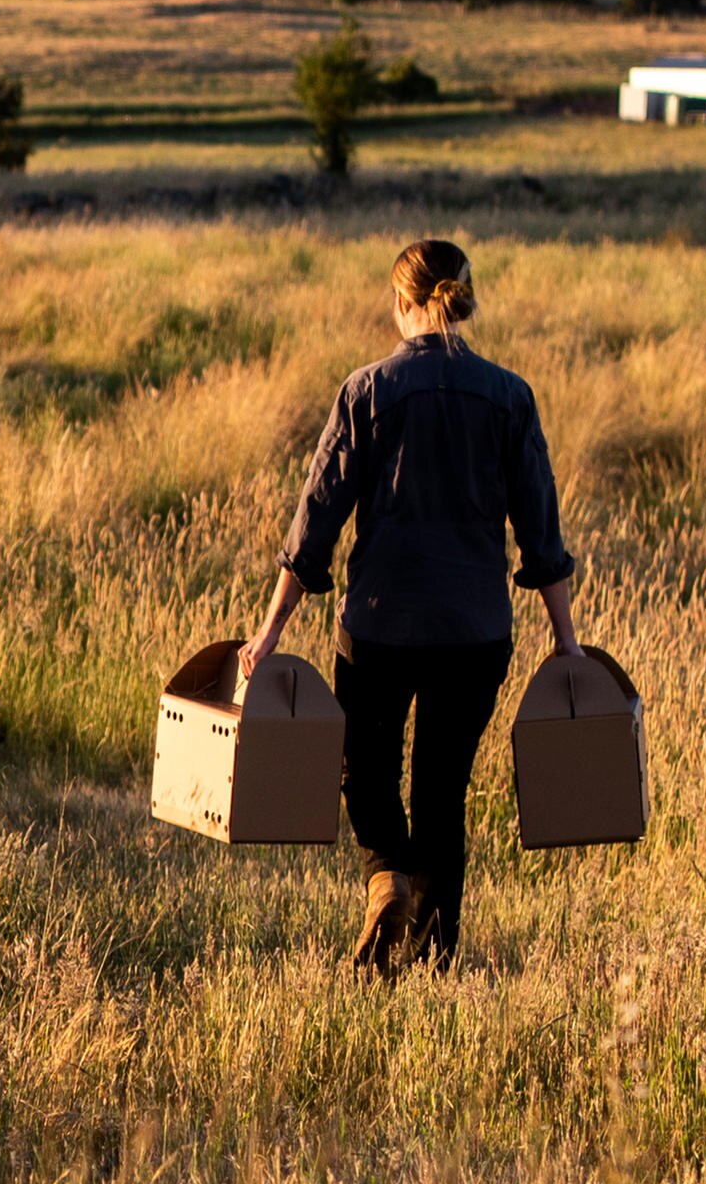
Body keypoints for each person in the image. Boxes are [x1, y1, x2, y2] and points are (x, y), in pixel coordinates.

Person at [239, 238, 581, 974]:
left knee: (365, 773)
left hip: (379, 626)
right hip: (475, 632)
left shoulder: (366, 390)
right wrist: (567, 640)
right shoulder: (510, 396)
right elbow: (542, 532)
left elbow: (314, 523)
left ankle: (386, 876)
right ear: (463, 299)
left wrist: (269, 631)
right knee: (442, 795)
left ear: (401, 302)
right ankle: (434, 964)